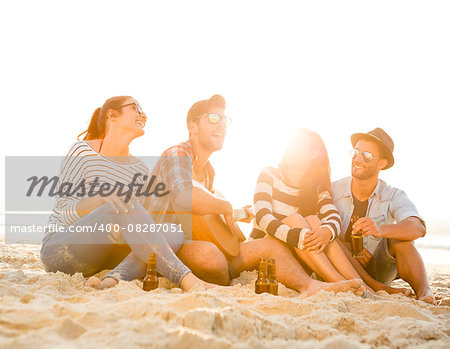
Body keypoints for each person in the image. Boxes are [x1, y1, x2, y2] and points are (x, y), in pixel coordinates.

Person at [103, 95, 365, 295]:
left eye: (225, 120)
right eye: (214, 119)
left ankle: (309, 287)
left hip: (194, 239)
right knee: (213, 258)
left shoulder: (209, 172)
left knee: (270, 246)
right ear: (192, 127)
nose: (222, 125)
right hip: (162, 243)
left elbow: (206, 214)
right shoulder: (177, 154)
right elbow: (184, 197)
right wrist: (226, 206)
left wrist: (237, 213)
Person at [40, 96, 213, 291]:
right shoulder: (82, 151)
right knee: (122, 201)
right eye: (136, 108)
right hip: (63, 250)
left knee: (172, 231)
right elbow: (63, 211)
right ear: (112, 115)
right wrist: (103, 198)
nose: (143, 115)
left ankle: (114, 278)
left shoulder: (139, 169)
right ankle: (188, 281)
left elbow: (140, 223)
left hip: (106, 258)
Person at [251, 129, 409, 295]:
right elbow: (262, 217)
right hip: (270, 248)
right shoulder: (269, 173)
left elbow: (333, 217)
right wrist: (298, 236)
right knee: (296, 220)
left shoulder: (317, 189)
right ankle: (343, 283)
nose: (291, 148)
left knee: (315, 221)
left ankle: (362, 286)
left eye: (298, 144)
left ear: (313, 154)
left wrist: (326, 231)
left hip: (299, 253)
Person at [332, 128, 435, 304]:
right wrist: (350, 252)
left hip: (379, 270)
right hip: (340, 268)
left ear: (382, 163)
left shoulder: (393, 195)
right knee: (328, 235)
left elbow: (418, 227)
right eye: (356, 152)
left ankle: (425, 292)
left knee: (400, 240)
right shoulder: (333, 190)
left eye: (367, 156)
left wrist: (380, 229)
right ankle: (369, 284)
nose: (357, 158)